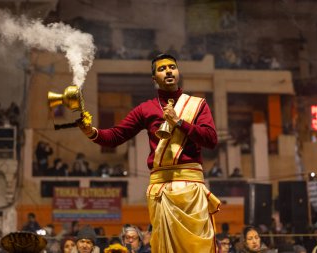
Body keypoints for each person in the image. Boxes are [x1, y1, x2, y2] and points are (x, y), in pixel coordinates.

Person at [77, 53, 220, 252]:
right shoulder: (146, 109)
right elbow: (116, 136)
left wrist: (179, 122)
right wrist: (91, 132)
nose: (168, 70)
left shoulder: (198, 105)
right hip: (160, 190)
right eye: (162, 69)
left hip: (191, 188)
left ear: (178, 72)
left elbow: (211, 140)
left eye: (172, 67)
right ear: (154, 79)